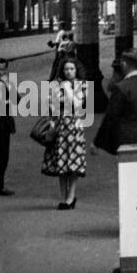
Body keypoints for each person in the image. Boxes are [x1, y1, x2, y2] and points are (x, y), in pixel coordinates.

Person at [41, 57, 88, 209]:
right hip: (60, 128)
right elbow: (52, 107)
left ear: (76, 70)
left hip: (75, 127)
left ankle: (71, 196)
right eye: (66, 69)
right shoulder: (55, 86)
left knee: (73, 164)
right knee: (61, 163)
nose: (68, 72)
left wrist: (67, 89)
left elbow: (78, 105)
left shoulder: (84, 85)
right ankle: (63, 197)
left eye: (71, 69)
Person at [95, 51, 137, 153]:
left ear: (124, 64)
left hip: (127, 143)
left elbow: (111, 117)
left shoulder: (122, 88)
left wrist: (97, 143)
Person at [0, 57, 15, 196]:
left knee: (3, 156)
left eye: (2, 69)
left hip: (4, 124)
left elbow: (17, 100)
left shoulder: (7, 83)